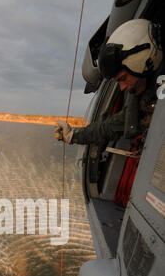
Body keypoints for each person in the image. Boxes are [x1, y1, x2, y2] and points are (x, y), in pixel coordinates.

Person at [54, 19, 163, 206]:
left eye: (122, 78)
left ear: (142, 60)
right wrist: (73, 135)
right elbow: (108, 127)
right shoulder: (144, 99)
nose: (121, 87)